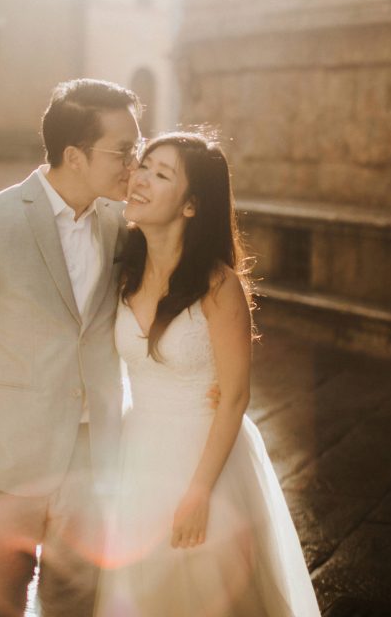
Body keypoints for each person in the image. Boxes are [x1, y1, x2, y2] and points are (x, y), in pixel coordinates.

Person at [0, 78, 142, 617]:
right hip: (1, 462)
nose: (133, 163)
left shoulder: (124, 226)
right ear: (74, 155)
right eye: (124, 150)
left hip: (93, 463)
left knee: (75, 608)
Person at [95, 131, 321, 617]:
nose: (141, 180)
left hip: (203, 459)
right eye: (144, 166)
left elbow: (236, 396)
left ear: (192, 205)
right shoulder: (124, 266)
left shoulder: (220, 286)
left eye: (162, 174)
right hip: (136, 456)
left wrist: (198, 493)